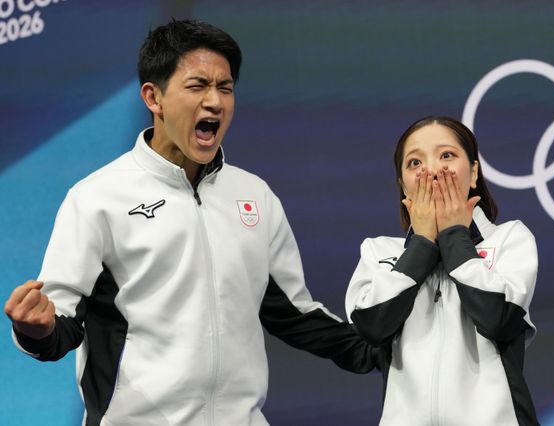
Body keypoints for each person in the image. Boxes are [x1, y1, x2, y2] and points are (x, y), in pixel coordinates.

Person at [3, 19, 377, 426]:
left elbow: (293, 314)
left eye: (225, 88)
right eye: (198, 86)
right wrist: (35, 330)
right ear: (154, 97)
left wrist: (385, 351)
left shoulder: (255, 195)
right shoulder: (96, 198)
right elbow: (60, 324)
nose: (215, 102)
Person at [345, 116, 539, 425]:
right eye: (415, 163)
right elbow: (372, 328)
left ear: (473, 173)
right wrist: (422, 243)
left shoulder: (510, 239)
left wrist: (454, 236)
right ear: (402, 185)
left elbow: (498, 320)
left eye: (446, 155)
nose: (432, 171)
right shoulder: (377, 251)